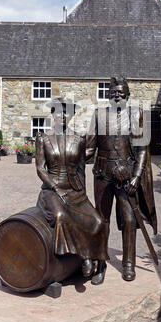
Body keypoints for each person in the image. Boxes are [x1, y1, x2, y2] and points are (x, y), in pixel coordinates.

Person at [86, 77, 157, 283]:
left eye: (121, 92)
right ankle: (100, 263)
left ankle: (128, 263)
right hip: (103, 173)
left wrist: (136, 177)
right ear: (109, 94)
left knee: (128, 219)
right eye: (114, 92)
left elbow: (143, 149)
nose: (117, 95)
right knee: (102, 219)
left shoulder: (136, 114)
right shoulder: (98, 115)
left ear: (128, 94)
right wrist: (70, 155)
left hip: (126, 176)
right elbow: (90, 147)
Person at [36, 97, 109, 285]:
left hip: (74, 190)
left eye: (66, 111)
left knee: (98, 221)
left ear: (72, 115)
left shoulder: (79, 138)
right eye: (58, 111)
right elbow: (40, 168)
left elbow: (80, 169)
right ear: (52, 113)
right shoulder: (43, 138)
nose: (62, 115)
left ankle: (101, 265)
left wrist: (83, 196)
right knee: (61, 216)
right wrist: (54, 187)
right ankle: (84, 256)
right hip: (51, 190)